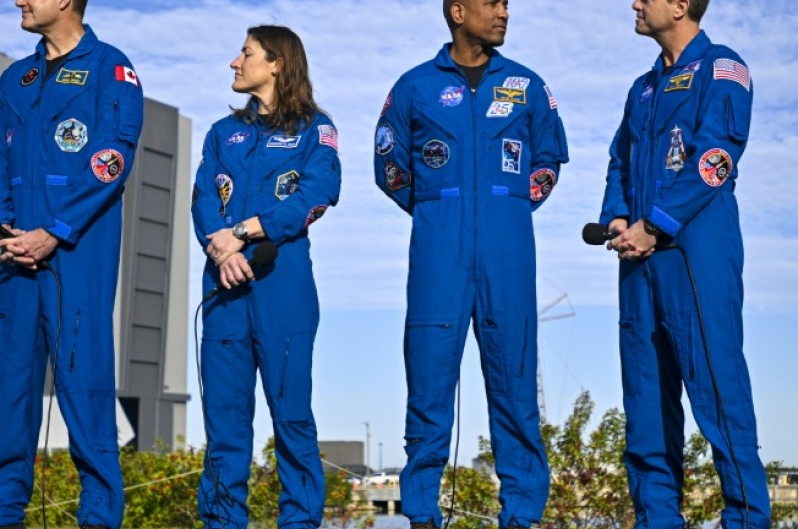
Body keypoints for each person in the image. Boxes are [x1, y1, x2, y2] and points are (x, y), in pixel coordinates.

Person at [373, 1, 568, 527]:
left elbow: (549, 159)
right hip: (439, 250)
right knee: (430, 387)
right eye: (492, 3)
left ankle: (521, 515)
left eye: (507, 5)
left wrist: (512, 201)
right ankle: (420, 514)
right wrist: (436, 206)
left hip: (508, 250)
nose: (504, 12)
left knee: (515, 387)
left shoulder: (527, 86)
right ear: (458, 11)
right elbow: (388, 162)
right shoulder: (415, 86)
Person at [0, 0, 143, 527]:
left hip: (77, 256)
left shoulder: (111, 69)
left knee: (85, 388)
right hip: (18, 254)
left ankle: (97, 517)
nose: (19, 1)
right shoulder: (15, 79)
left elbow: (113, 158)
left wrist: (55, 231)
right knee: (9, 390)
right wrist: (7, 230)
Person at [600, 0, 771, 528]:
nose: (634, 3)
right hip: (637, 262)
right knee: (646, 409)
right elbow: (619, 161)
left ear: (678, 6)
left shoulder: (723, 67)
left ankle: (746, 518)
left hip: (696, 256)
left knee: (720, 396)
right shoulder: (642, 88)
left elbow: (716, 155)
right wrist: (618, 218)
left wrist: (654, 226)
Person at [191, 25, 341, 529]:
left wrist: (242, 231)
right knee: (225, 425)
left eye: (247, 53)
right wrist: (223, 248)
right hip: (224, 288)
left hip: (284, 288)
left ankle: (299, 522)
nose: (235, 62)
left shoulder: (315, 128)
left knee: (292, 419)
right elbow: (204, 198)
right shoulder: (221, 133)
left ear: (277, 62)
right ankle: (221, 521)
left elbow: (317, 193)